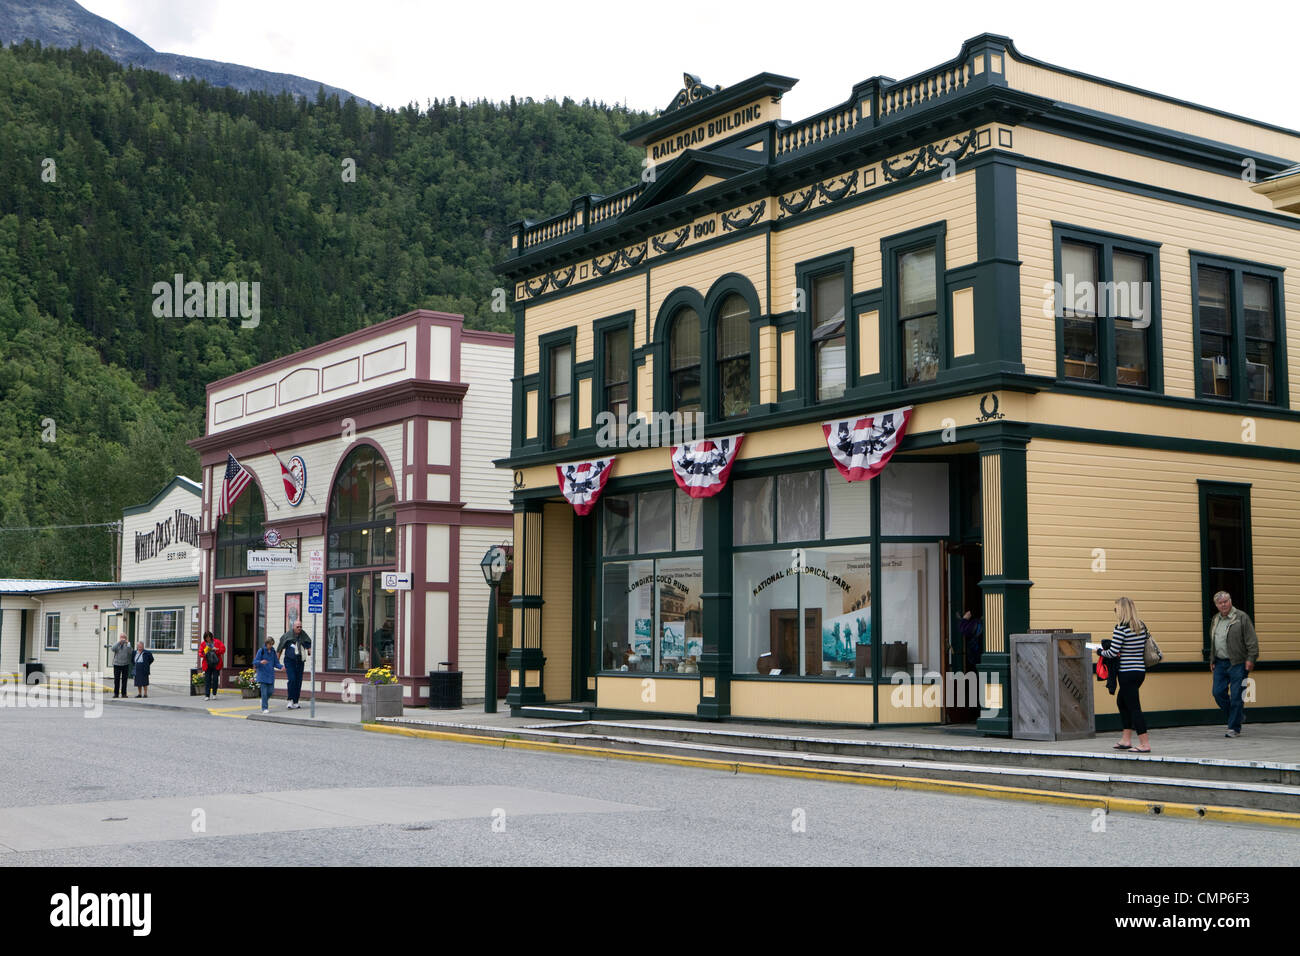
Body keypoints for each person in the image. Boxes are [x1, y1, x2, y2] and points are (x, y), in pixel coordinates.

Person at [1101, 596, 1151, 753]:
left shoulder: (1121, 628)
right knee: (1122, 702)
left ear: (1122, 610)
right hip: (1139, 671)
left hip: (1126, 673)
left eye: (1116, 609)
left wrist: (1099, 651)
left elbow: (1113, 652)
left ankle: (1144, 743)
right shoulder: (1141, 626)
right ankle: (1126, 739)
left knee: (1134, 707)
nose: (1115, 612)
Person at [1209, 591, 1258, 738]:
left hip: (1238, 662)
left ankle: (1233, 728)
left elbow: (1252, 640)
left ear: (1230, 601)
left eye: (1225, 601)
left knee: (1237, 696)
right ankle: (1237, 716)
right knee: (1217, 693)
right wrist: (1212, 659)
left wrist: (1251, 658)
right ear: (1216, 605)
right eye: (1220, 603)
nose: (1223, 605)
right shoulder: (1216, 619)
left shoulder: (1241, 617)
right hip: (1219, 662)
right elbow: (1213, 641)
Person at [276, 618, 312, 710]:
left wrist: (309, 650)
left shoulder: (303, 634)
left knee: (298, 681)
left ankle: (296, 701)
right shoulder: (287, 635)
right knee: (292, 679)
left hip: (300, 661)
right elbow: (280, 649)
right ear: (293, 627)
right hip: (289, 661)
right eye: (298, 627)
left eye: (300, 627)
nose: (299, 628)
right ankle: (290, 700)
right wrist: (277, 662)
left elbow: (308, 643)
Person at [253, 637, 280, 715]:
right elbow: (255, 662)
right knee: (264, 692)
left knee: (271, 691)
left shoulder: (273, 651)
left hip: (270, 675)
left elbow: (276, 663)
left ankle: (263, 700)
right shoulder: (261, 651)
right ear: (266, 643)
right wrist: (261, 662)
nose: (271, 646)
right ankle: (265, 708)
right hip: (262, 674)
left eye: (272, 644)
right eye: (269, 644)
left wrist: (281, 667)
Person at [199, 630, 225, 700]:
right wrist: (205, 652)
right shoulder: (203, 644)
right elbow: (200, 653)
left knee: (215, 679)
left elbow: (223, 650)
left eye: (209, 637)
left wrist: (217, 649)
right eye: (206, 638)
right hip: (207, 664)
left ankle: (214, 694)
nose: (208, 639)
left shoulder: (217, 642)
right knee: (207, 680)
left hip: (216, 663)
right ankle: (207, 695)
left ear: (211, 637)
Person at [111, 633, 132, 699]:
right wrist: (119, 642)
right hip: (117, 664)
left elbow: (130, 652)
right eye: (121, 637)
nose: (123, 639)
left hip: (125, 664)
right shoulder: (117, 644)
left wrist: (128, 643)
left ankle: (124, 694)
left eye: (124, 637)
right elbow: (112, 649)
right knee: (116, 680)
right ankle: (116, 693)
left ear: (126, 638)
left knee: (124, 680)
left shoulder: (128, 645)